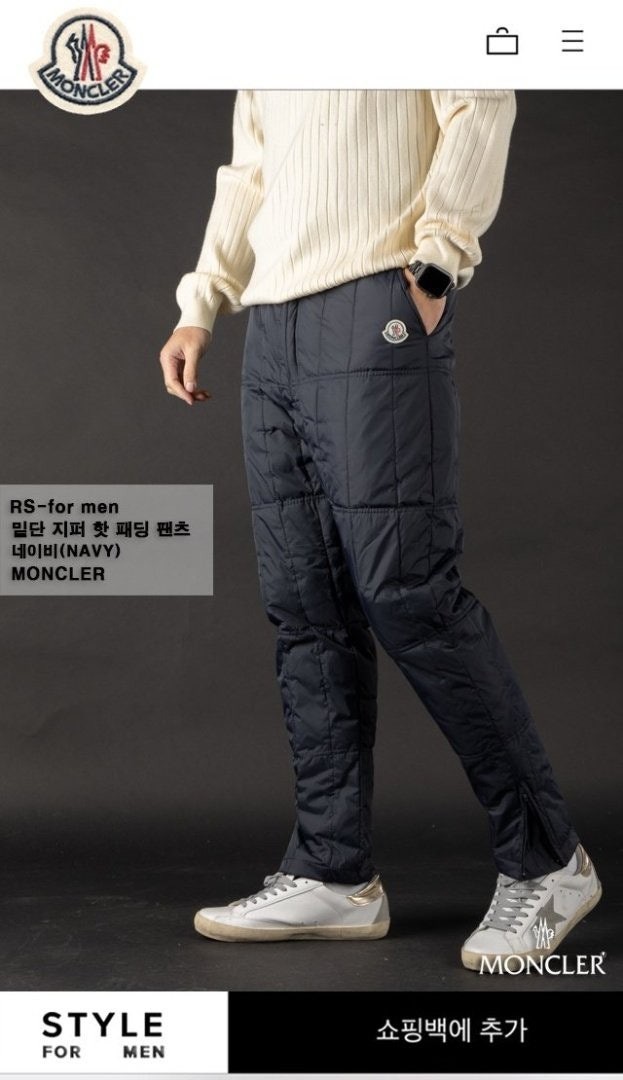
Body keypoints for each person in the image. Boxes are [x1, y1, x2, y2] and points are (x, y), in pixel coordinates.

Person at [159, 91, 601, 968]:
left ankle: (548, 862)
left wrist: (437, 262)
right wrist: (201, 301)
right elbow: (251, 168)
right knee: (306, 606)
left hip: (374, 298)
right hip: (273, 322)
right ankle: (334, 873)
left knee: (408, 593)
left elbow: (479, 101)